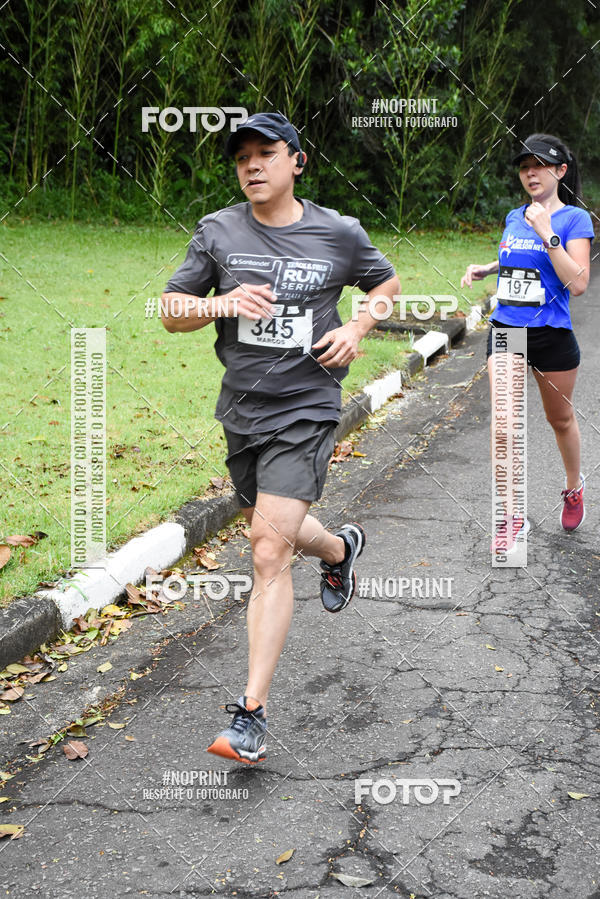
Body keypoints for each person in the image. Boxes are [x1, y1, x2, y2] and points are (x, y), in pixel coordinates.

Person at [160, 112, 399, 763]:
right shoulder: (218, 230)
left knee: (267, 547)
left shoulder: (338, 232)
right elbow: (169, 309)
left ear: (297, 160)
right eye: (242, 158)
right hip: (242, 413)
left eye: (266, 153)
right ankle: (339, 548)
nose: (252, 166)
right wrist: (220, 304)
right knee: (283, 530)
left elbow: (386, 285)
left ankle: (251, 714)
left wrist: (356, 330)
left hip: (307, 406)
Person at [461, 133, 594, 550]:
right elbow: (516, 257)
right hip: (507, 328)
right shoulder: (514, 217)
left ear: (560, 171)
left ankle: (573, 487)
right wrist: (488, 267)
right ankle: (511, 516)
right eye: (524, 166)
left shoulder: (574, 220)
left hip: (552, 336)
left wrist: (547, 232)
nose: (530, 172)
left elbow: (579, 283)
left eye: (539, 165)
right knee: (504, 424)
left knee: (560, 421)